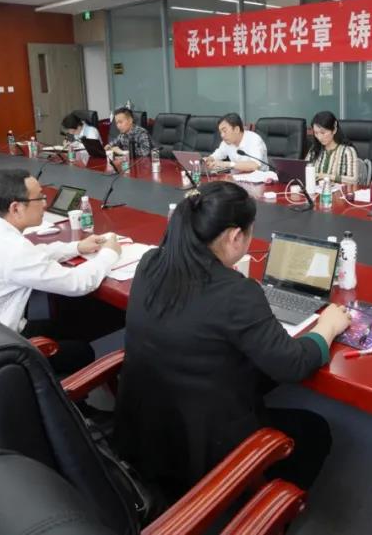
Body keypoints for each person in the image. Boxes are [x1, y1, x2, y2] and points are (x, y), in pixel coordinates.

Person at [115, 181, 351, 502]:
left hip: (145, 430)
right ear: (235, 236)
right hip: (204, 448)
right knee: (315, 429)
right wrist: (327, 327)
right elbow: (294, 364)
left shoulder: (151, 262)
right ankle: (266, 509)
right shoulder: (235, 292)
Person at [0, 169, 122, 375]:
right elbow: (78, 283)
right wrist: (109, 254)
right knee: (80, 351)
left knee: (71, 321)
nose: (45, 203)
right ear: (16, 208)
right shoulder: (13, 250)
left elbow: (32, 255)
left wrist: (77, 247)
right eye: (40, 197)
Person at [306, 111, 360, 185]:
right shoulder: (314, 149)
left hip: (340, 192)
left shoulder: (347, 151)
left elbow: (354, 180)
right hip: (316, 190)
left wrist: (326, 176)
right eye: (316, 133)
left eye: (323, 133)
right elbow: (303, 172)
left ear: (334, 130)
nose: (319, 137)